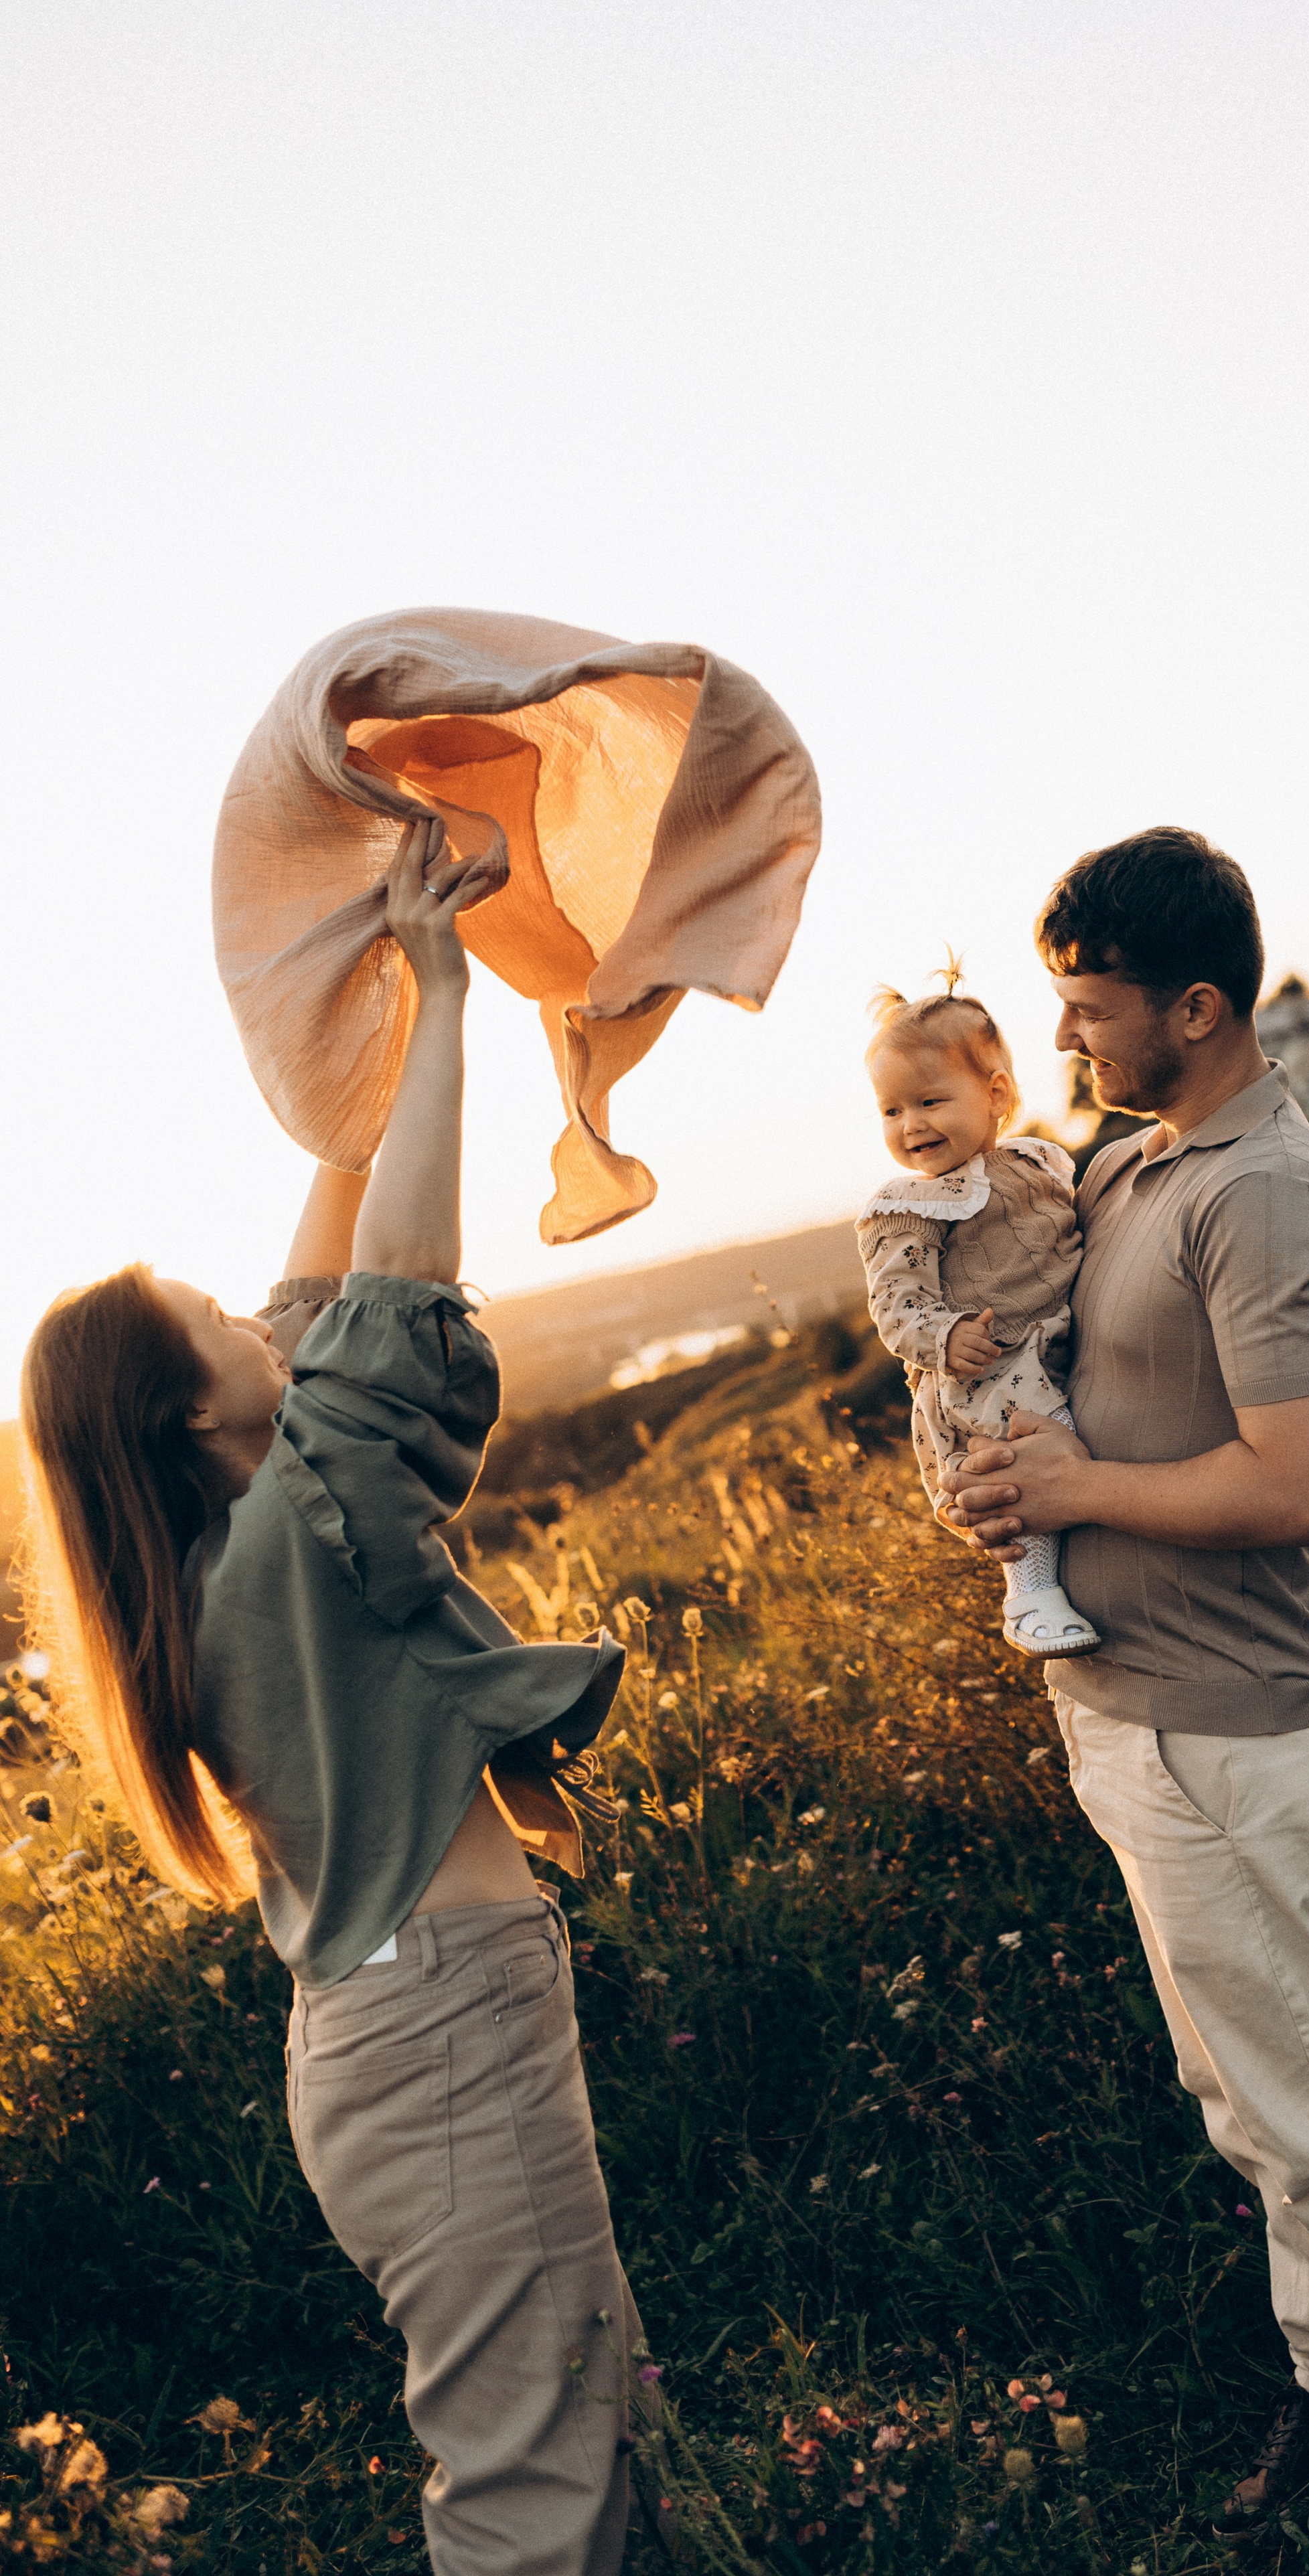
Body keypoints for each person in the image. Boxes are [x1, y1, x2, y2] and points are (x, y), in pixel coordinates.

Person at [21, 819, 658, 2576]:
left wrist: (372, 976)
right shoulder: (304, 1520)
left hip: (402, 2039)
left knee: (592, 2418)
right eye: (215, 1313)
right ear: (191, 1414)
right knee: (533, 2494)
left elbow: (329, 1257)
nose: (255, 1307)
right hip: (441, 2038)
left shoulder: (238, 1538)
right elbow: (402, 1281)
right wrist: (447, 991)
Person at [940, 827, 1309, 2547]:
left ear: (1195, 1008)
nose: (1064, 1041)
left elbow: (1299, 1483)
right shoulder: (1135, 1162)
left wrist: (1069, 1493)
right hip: (1131, 1712)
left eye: (1088, 1010)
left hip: (1234, 1724)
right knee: (1245, 2090)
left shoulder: (1258, 1189)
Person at [858, 972, 1099, 1657]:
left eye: (929, 1100)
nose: (910, 1125)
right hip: (989, 1369)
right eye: (891, 1110)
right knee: (1034, 1449)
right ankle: (1029, 1593)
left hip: (1051, 1343)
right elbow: (894, 1303)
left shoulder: (1039, 1161)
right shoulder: (912, 1205)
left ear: (996, 1094)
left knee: (1069, 1432)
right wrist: (945, 1334)